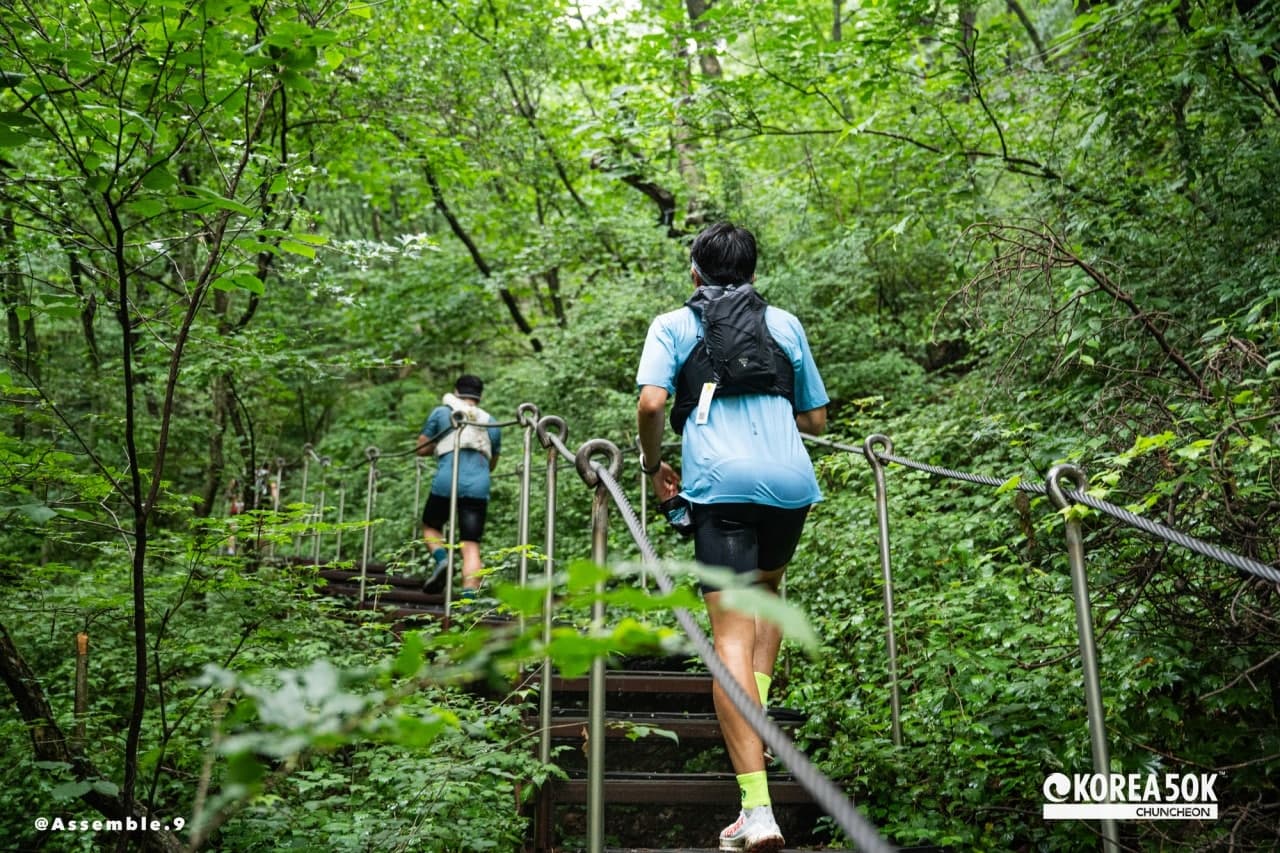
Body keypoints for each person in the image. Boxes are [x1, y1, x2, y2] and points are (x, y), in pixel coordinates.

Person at [635, 223, 828, 853]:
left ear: (694, 272)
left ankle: (757, 812)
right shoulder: (786, 324)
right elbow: (816, 418)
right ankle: (757, 708)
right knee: (767, 593)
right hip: (791, 483)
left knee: (729, 640)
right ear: (752, 272)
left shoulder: (673, 324)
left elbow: (650, 403)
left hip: (720, 488)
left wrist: (650, 463)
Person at [415, 374, 502, 599]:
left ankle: (443, 560)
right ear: (479, 396)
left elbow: (421, 449)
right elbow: (492, 464)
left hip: (446, 480)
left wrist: (439, 442)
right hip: (478, 486)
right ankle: (469, 602)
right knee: (471, 544)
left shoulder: (442, 413)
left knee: (430, 526)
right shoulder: (491, 422)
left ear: (456, 390)